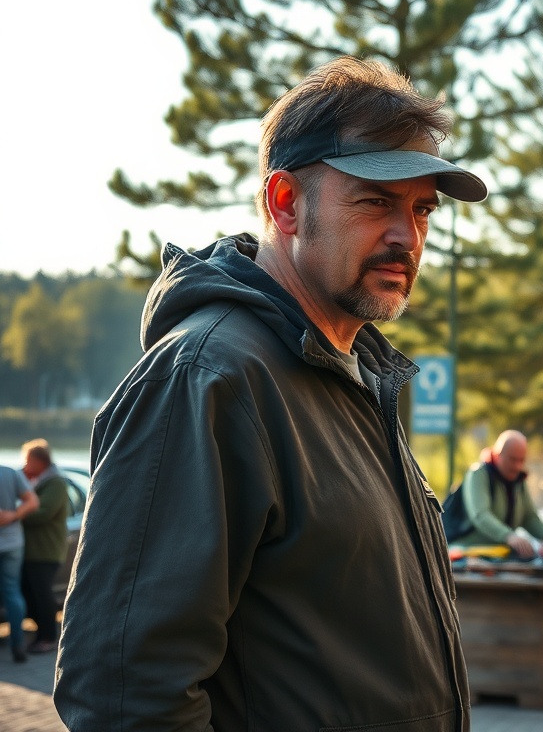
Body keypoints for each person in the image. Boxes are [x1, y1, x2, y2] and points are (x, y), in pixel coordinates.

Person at [55, 56, 488, 731]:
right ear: (285, 203)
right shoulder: (209, 378)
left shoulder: (352, 378)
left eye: (422, 209)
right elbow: (123, 696)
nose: (409, 237)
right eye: (376, 201)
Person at [457, 430, 543, 557]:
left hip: (501, 553)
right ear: (498, 455)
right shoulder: (478, 475)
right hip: (468, 552)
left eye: (521, 460)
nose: (517, 466)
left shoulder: (518, 480)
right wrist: (509, 536)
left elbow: (529, 517)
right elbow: (480, 515)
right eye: (512, 459)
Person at [19, 439, 69, 654]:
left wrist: (15, 515)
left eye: (28, 461)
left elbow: (44, 513)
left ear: (40, 461)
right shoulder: (37, 481)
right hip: (32, 550)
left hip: (46, 550)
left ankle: (49, 637)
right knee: (29, 592)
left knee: (42, 594)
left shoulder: (56, 483)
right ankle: (41, 633)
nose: (25, 466)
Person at [0, 464, 39, 664]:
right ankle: (18, 645)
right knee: (12, 592)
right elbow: (32, 502)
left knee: (11, 592)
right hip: (13, 543)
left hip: (11, 543)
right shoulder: (10, 473)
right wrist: (13, 515)